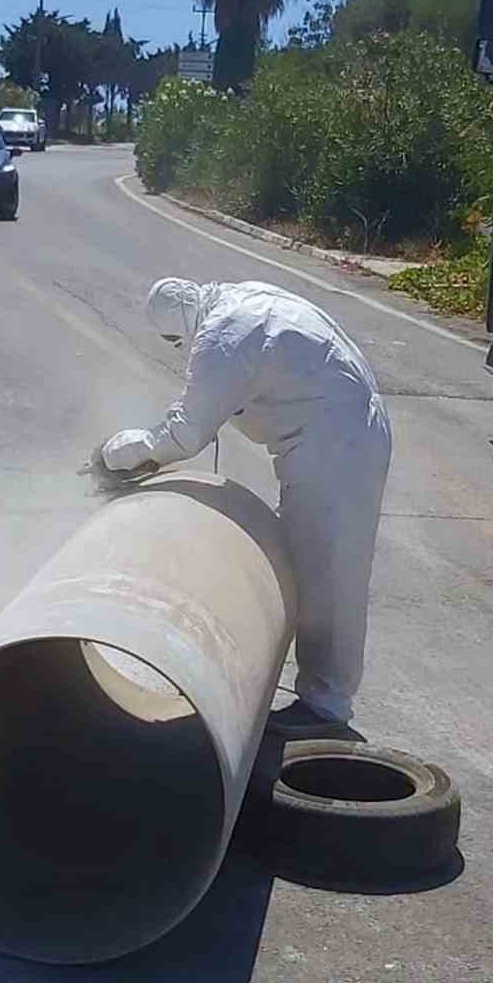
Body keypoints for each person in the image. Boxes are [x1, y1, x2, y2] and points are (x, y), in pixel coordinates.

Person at [100, 278, 391, 737]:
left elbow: (185, 433)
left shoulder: (223, 335)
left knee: (328, 571)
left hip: (337, 442)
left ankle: (326, 707)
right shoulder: (242, 300)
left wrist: (120, 452)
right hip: (341, 431)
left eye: (176, 341)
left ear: (183, 325)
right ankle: (321, 696)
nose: (179, 349)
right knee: (316, 564)